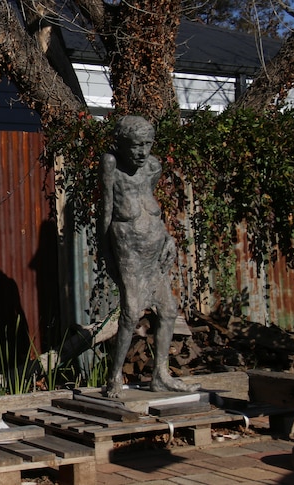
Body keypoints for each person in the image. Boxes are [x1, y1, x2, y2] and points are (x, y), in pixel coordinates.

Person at [98, 115, 199, 398]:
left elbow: (151, 209)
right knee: (131, 313)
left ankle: (161, 375)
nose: (142, 152)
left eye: (147, 144)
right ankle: (114, 378)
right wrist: (106, 257)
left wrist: (169, 239)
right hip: (128, 250)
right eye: (135, 146)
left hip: (155, 252)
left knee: (168, 311)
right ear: (120, 144)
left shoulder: (153, 166)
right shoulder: (112, 165)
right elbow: (106, 213)